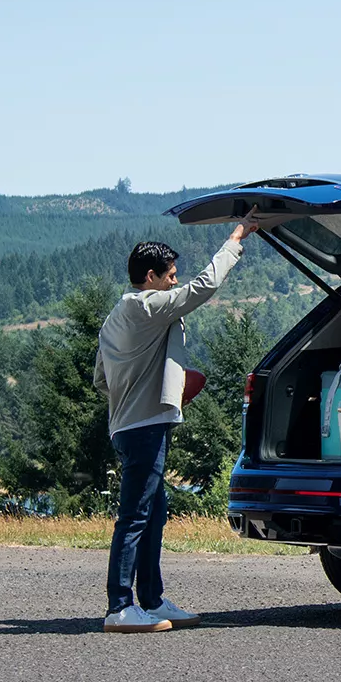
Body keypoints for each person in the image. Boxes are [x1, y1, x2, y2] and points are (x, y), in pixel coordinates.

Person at [93, 220, 258, 633]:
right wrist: (235, 240)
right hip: (146, 426)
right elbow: (202, 288)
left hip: (127, 425)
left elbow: (101, 379)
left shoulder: (115, 316)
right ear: (150, 277)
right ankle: (120, 607)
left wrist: (144, 383)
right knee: (134, 516)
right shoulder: (146, 306)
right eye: (169, 275)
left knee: (153, 513)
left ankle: (151, 600)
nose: (174, 281)